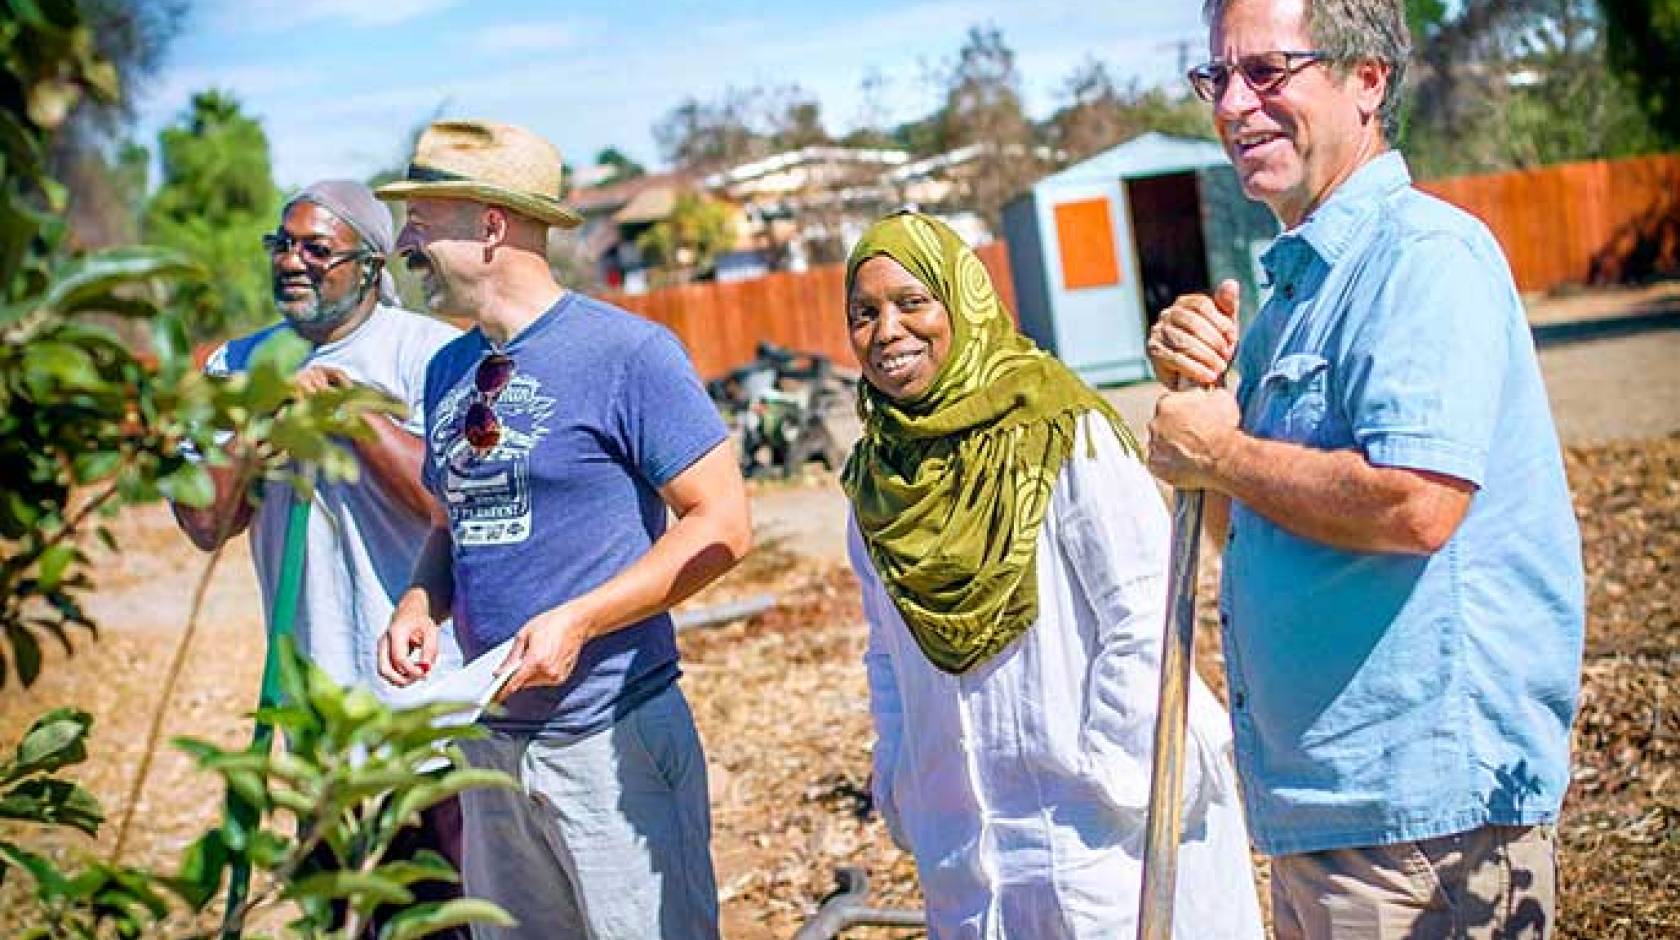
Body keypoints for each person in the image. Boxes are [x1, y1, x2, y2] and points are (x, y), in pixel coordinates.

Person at [1145, 1, 1585, 937]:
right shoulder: (1290, 300)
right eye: (1216, 77)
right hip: (1325, 818)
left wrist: (1219, 449)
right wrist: (1209, 424)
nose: (1233, 103)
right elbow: (1257, 532)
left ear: (1368, 80)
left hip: (1425, 832)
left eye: (1267, 72)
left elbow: (1416, 504)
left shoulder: (1423, 259)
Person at [373, 120, 750, 940]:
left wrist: (582, 619)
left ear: (491, 228)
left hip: (610, 740)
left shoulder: (628, 353)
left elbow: (722, 522)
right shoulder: (445, 370)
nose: (405, 243)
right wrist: (416, 603)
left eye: (422, 222)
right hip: (489, 751)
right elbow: (454, 520)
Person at [841, 210, 1262, 938]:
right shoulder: (877, 484)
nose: (887, 332)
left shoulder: (1061, 431)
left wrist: (1112, 775)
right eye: (864, 313)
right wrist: (904, 778)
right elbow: (885, 651)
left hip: (1106, 834)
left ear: (963, 302)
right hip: (967, 849)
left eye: (912, 303)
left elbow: (1146, 611)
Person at [171, 179, 468, 937]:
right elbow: (205, 521)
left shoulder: (429, 352)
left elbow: (451, 507)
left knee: (438, 919)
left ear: (371, 265)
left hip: (423, 708)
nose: (292, 262)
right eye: (283, 244)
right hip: (313, 714)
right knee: (337, 919)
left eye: (317, 248)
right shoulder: (236, 364)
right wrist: (262, 416)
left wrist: (352, 417)